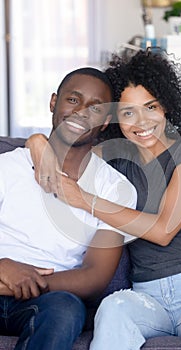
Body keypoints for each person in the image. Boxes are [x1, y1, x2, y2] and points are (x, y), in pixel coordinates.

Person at [27, 49, 181, 350]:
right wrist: (35, 142)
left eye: (150, 107)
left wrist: (84, 199)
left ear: (166, 106)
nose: (142, 121)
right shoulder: (116, 158)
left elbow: (164, 230)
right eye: (127, 112)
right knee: (114, 308)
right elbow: (63, 146)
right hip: (147, 295)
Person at [0, 67, 137, 350]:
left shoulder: (116, 189)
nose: (82, 112)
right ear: (53, 102)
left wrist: (26, 282)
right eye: (73, 100)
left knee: (65, 310)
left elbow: (94, 276)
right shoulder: (8, 167)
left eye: (95, 108)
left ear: (106, 120)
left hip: (49, 297)